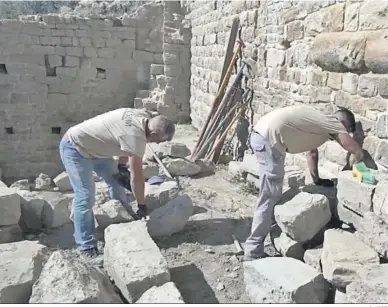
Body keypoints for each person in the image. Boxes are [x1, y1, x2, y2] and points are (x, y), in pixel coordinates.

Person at [243, 105, 364, 261]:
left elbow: (311, 153)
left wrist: (317, 180)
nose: (342, 133)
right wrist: (360, 155)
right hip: (268, 140)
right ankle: (253, 251)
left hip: (263, 136)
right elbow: (351, 146)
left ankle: (269, 229)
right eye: (346, 129)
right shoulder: (332, 122)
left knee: (272, 192)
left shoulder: (316, 124)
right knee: (269, 196)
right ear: (342, 123)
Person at [59, 108, 175, 265]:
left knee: (116, 181)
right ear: (153, 134)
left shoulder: (143, 117)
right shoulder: (136, 136)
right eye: (159, 140)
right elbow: (136, 177)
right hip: (75, 147)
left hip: (97, 149)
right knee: (85, 196)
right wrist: (142, 205)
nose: (158, 144)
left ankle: (121, 219)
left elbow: (123, 139)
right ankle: (86, 247)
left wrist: (121, 166)